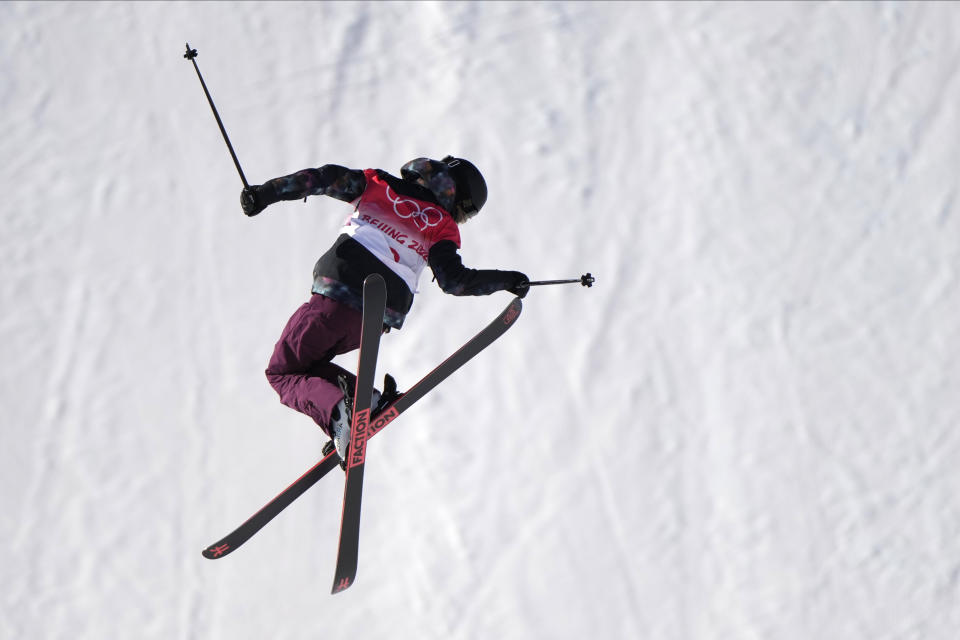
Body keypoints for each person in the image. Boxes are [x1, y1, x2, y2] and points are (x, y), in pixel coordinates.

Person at [240, 156, 529, 459]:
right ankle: (362, 404)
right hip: (376, 318)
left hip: (337, 293)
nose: (461, 219)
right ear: (458, 195)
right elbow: (455, 282)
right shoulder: (441, 226)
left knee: (282, 371)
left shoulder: (378, 185)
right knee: (309, 365)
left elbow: (322, 178)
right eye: (466, 212)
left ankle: (340, 411)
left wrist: (265, 194)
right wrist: (507, 280)